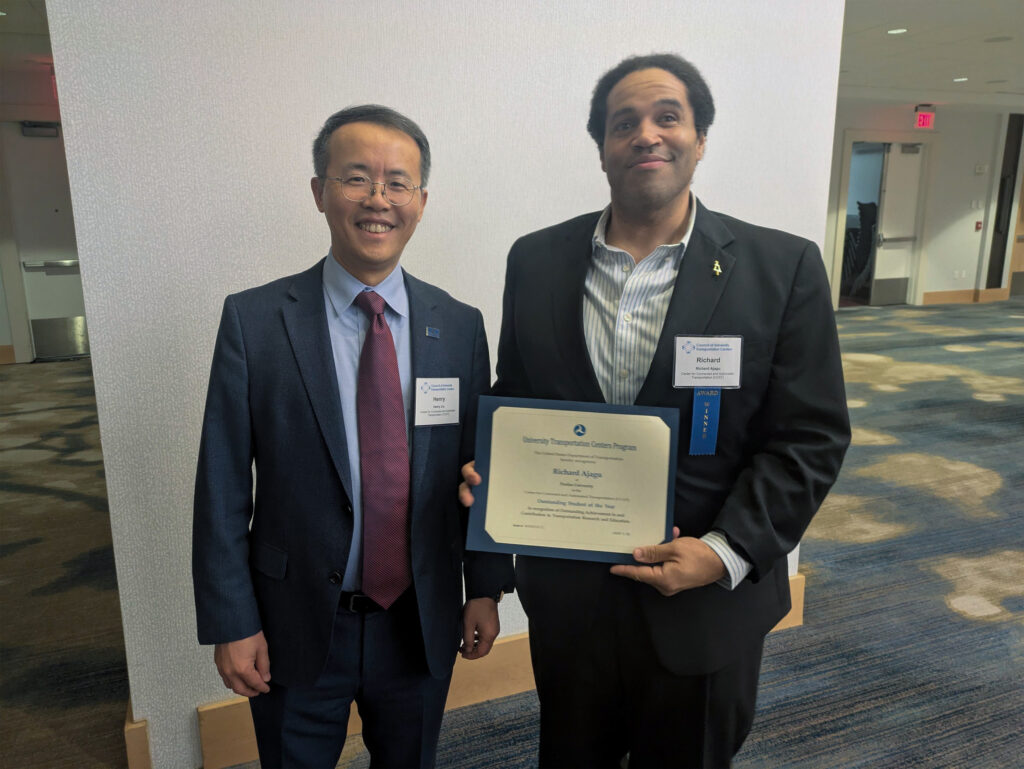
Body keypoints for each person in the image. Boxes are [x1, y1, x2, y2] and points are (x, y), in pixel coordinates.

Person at [460, 54, 850, 768]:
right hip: (569, 606)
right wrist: (492, 480)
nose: (646, 134)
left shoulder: (782, 267)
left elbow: (810, 437)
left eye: (667, 116)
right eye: (623, 123)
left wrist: (724, 551)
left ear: (700, 138)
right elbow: (511, 401)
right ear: (602, 148)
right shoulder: (536, 260)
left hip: (704, 608)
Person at [193, 104, 514, 769]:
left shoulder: (458, 325)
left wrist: (483, 585)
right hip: (294, 623)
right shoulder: (255, 322)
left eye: (398, 182)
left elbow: (478, 467)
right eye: (356, 178)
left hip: (419, 619)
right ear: (319, 191)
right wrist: (232, 620)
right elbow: (221, 485)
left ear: (422, 201)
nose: (378, 199)